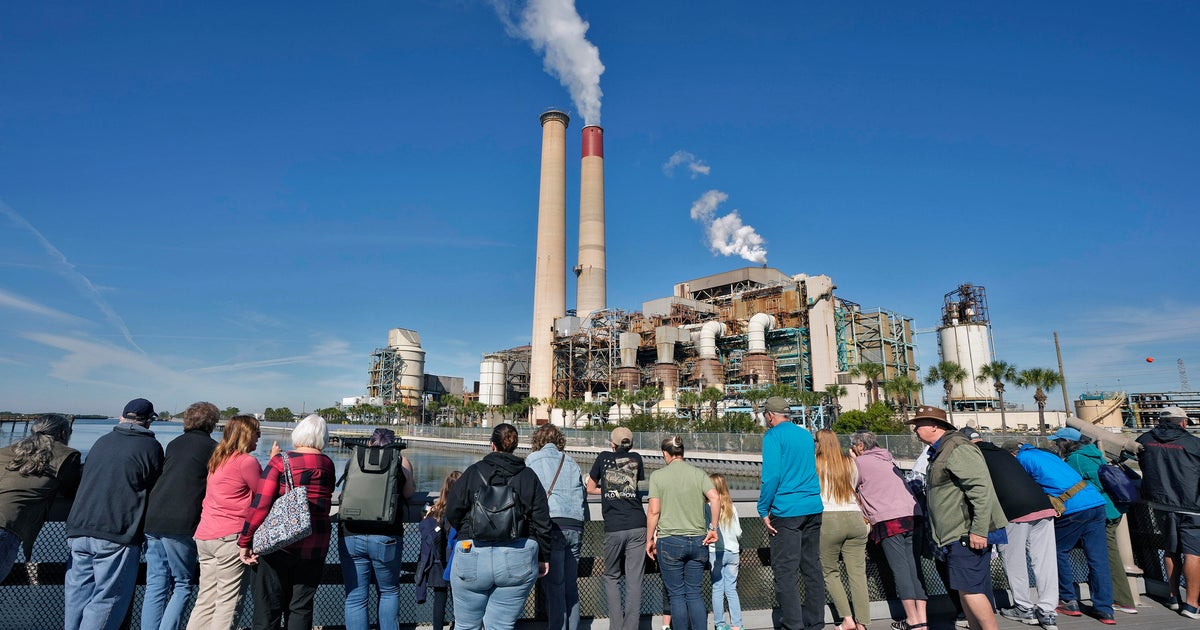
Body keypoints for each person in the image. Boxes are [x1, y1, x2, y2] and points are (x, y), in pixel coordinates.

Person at [64, 398, 165, 630]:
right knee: (107, 601)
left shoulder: (102, 441)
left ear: (122, 417)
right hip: (117, 531)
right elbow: (155, 486)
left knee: (76, 597)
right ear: (148, 421)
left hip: (79, 528)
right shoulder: (150, 447)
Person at [444, 423, 551, 630]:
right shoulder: (528, 476)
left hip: (473, 554)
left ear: (492, 444)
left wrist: (468, 529)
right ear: (515, 446)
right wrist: (543, 556)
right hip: (517, 555)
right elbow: (542, 521)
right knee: (501, 625)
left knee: (465, 625)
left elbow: (452, 511)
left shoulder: (473, 472)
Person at [907, 405, 1005, 630]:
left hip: (965, 533)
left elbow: (981, 490)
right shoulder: (942, 450)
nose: (915, 430)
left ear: (934, 426)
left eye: (918, 424)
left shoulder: (957, 448)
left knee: (971, 591)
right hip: (956, 534)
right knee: (965, 590)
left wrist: (978, 530)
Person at [238, 414, 336, 630]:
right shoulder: (328, 464)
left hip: (279, 544)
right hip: (315, 543)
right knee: (301, 607)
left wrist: (245, 540)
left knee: (268, 607)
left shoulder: (281, 461)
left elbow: (261, 504)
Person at [958, 427, 1058, 630]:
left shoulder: (973, 455)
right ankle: (1048, 612)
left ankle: (1024, 608)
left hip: (1013, 510)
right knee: (1045, 560)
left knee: (1014, 559)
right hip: (1042, 505)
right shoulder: (1002, 452)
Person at [1006, 440, 1114, 624]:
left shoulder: (1022, 459)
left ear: (1012, 454)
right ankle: (1105, 610)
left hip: (1073, 507)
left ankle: (1067, 600)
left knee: (1056, 551)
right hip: (1095, 502)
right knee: (1098, 559)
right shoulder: (1046, 454)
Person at [187, 415, 277, 630]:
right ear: (246, 435)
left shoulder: (218, 459)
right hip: (229, 538)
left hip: (206, 535)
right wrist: (274, 463)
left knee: (206, 600)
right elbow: (264, 495)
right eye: (256, 433)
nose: (259, 437)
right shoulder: (246, 462)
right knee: (228, 602)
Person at [142, 401, 220, 630]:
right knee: (183, 583)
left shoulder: (174, 444)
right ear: (212, 423)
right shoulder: (213, 448)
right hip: (181, 522)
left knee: (156, 583)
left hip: (154, 517)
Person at [1052, 426, 1138, 616]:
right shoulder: (1094, 453)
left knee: (1105, 557)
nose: (1056, 444)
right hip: (1112, 509)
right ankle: (1107, 601)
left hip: (1099, 511)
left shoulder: (1075, 459)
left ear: (1067, 442)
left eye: (1058, 441)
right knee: (1102, 556)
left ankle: (1121, 600)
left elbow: (1065, 482)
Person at [757, 396, 824, 630]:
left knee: (785, 571)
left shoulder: (773, 436)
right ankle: (816, 623)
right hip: (813, 507)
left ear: (770, 415)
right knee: (812, 568)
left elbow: (772, 476)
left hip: (787, 511)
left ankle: (793, 625)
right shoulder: (805, 435)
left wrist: (763, 508)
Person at [850, 430, 928, 630]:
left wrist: (852, 460)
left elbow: (849, 486)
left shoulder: (860, 463)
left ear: (860, 446)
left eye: (853, 446)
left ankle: (912, 619)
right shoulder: (888, 458)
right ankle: (922, 619)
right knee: (914, 567)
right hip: (912, 516)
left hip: (889, 520)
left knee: (900, 568)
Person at [338, 428, 415, 630]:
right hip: (386, 536)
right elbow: (409, 493)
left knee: (356, 597)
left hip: (351, 534)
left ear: (370, 442)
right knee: (388, 592)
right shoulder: (401, 461)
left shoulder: (355, 459)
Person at [646, 435, 720, 630]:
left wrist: (649, 539)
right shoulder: (698, 473)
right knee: (694, 594)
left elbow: (654, 511)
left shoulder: (658, 476)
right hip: (698, 541)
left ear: (665, 453)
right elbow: (715, 498)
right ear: (682, 452)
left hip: (670, 541)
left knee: (676, 595)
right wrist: (713, 528)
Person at [1136, 405, 1200, 618]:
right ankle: (1192, 605)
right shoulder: (1193, 443)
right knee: (1193, 553)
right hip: (1191, 505)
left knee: (1170, 549)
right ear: (1183, 422)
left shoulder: (1145, 440)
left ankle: (1173, 597)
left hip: (1160, 503)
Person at [0, 414, 81, 582]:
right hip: (6, 525)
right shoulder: (66, 455)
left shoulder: (7, 451)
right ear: (63, 434)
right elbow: (72, 490)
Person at [587, 426, 647, 630]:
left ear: (612, 444)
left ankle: (616, 626)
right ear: (631, 444)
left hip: (614, 527)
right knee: (634, 580)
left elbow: (590, 488)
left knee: (612, 576)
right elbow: (633, 485)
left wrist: (607, 490)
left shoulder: (603, 457)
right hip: (638, 524)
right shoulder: (636, 458)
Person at [527, 424, 585, 630]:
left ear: (537, 440)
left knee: (554, 587)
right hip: (575, 525)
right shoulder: (571, 462)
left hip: (552, 525)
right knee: (571, 586)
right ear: (559, 440)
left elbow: (528, 493)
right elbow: (581, 493)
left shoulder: (532, 460)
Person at [815, 429, 869, 630]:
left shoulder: (815, 463)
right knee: (857, 573)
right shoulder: (850, 462)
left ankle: (847, 619)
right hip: (854, 517)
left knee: (830, 572)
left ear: (819, 443)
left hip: (829, 518)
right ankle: (862, 622)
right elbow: (854, 486)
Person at [417, 471, 462, 630]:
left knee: (439, 600)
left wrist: (426, 515)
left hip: (438, 562)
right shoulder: (463, 511)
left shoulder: (436, 511)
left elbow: (426, 525)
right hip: (456, 560)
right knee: (459, 601)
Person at [707, 472, 743, 630]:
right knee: (731, 589)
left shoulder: (708, 507)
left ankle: (720, 624)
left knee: (717, 589)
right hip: (733, 552)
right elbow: (738, 532)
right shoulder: (731, 507)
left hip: (716, 552)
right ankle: (737, 625)